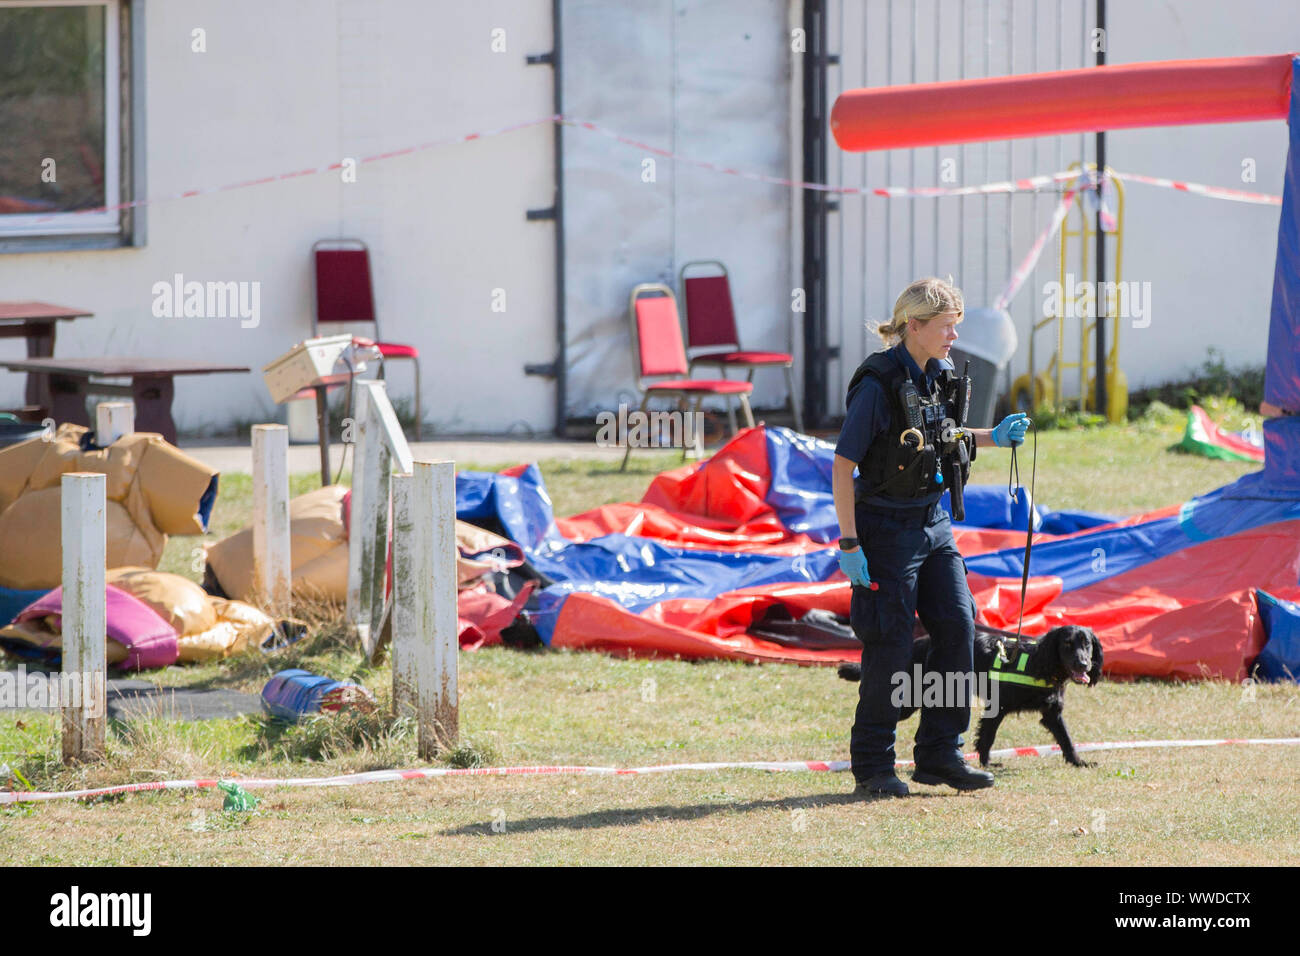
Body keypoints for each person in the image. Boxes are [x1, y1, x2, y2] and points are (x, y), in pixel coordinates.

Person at [833, 277, 1029, 797]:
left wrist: (993, 435)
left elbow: (946, 434)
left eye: (956, 325)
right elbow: (843, 464)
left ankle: (940, 754)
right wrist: (849, 543)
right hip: (885, 529)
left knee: (959, 628)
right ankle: (874, 766)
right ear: (913, 327)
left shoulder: (940, 375)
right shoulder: (876, 386)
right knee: (891, 644)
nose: (954, 335)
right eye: (946, 326)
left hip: (933, 523)